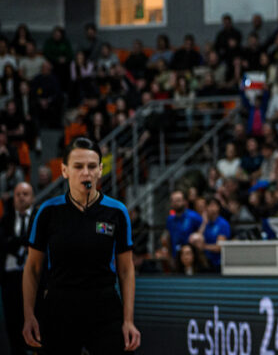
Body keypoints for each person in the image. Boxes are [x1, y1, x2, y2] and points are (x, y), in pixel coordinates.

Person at [22, 137, 141, 353]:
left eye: (92, 166)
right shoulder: (47, 212)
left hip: (105, 308)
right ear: (64, 170)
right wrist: (29, 315)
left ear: (100, 170)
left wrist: (128, 320)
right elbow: (32, 268)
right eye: (78, 166)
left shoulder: (117, 211)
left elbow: (126, 269)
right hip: (59, 308)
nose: (86, 173)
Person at [0, 182, 33, 355]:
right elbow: (3, 244)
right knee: (12, 321)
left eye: (25, 194)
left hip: (32, 278)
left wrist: (15, 241)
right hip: (10, 278)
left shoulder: (38, 218)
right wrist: (20, 242)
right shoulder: (6, 219)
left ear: (32, 198)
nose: (21, 198)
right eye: (18, 194)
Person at [164, 190, 202, 256]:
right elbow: (168, 238)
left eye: (178, 200)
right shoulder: (170, 219)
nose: (176, 203)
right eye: (173, 201)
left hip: (191, 255)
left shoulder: (193, 216)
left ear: (184, 201)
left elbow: (203, 229)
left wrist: (198, 236)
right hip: (176, 255)